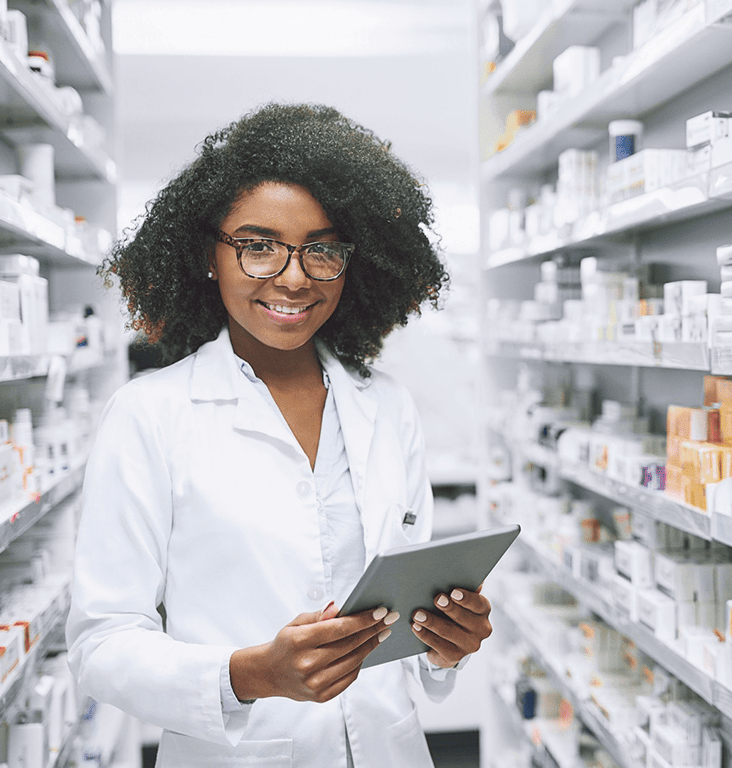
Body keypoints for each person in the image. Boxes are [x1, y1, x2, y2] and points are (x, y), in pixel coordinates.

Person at [66, 103, 492, 767]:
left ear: (356, 264)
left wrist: (444, 643)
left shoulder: (387, 407)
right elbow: (102, 644)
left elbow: (404, 614)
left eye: (321, 249)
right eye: (258, 245)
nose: (293, 277)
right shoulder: (149, 414)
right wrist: (254, 675)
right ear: (209, 255)